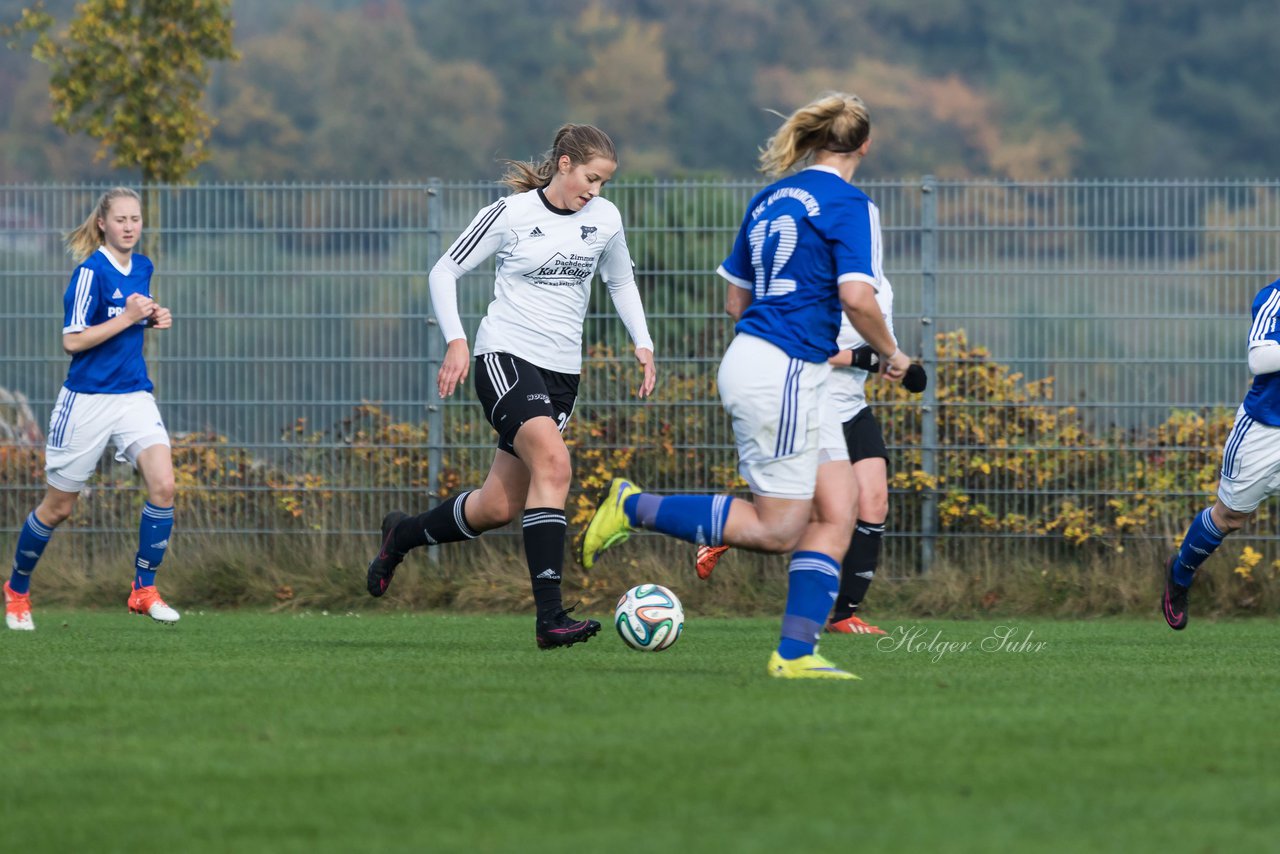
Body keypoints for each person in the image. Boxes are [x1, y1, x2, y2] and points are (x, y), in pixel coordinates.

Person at [582, 92, 909, 679]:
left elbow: (736, 299)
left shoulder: (770, 197)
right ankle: (633, 507)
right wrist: (892, 355)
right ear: (864, 144)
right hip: (784, 369)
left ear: (812, 139)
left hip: (776, 363)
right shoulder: (851, 203)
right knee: (779, 529)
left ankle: (796, 655)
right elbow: (857, 297)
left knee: (839, 509)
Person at [365, 124, 656, 650]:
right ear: (564, 163)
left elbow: (620, 280)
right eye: (590, 178)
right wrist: (457, 341)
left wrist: (643, 342)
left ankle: (401, 534)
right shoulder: (510, 214)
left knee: (497, 507)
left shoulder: (605, 219)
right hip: (505, 357)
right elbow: (443, 272)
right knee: (555, 463)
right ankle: (550, 618)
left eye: (604, 183)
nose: (596, 191)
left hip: (563, 376)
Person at [694, 283, 928, 637]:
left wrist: (900, 367)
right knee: (811, 514)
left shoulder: (882, 287)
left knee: (874, 502)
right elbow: (793, 343)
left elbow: (881, 352)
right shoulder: (812, 274)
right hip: (809, 402)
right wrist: (854, 357)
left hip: (853, 407)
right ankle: (728, 531)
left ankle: (845, 615)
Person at [4, 187, 179, 631]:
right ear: (103, 223)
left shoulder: (143, 266)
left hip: (133, 395)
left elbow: (132, 314)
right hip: (86, 401)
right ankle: (17, 590)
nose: (129, 227)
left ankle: (143, 590)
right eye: (121, 220)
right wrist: (126, 318)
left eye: (135, 220)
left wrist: (153, 317)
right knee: (58, 508)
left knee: (164, 486)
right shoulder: (89, 273)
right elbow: (73, 340)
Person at [1164, 275, 1280, 630]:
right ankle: (1180, 575)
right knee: (1230, 517)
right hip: (1265, 430)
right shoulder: (1274, 297)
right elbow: (1260, 359)